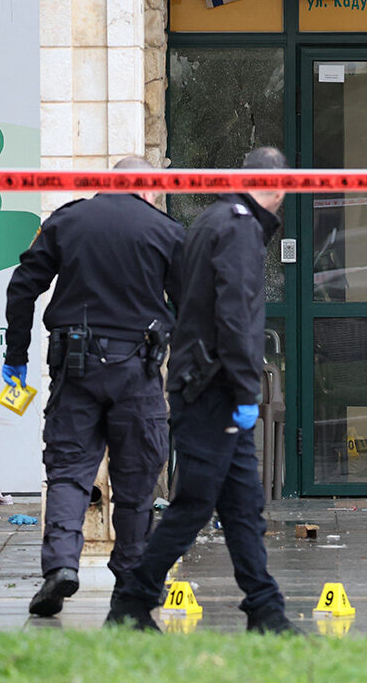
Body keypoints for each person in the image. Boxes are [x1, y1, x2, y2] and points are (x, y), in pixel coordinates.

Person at [106, 146, 298, 634]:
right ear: (275, 186)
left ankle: (265, 609)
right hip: (213, 392)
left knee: (242, 506)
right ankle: (130, 602)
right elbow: (234, 318)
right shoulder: (237, 228)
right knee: (194, 504)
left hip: (206, 385)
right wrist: (246, 391)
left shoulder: (219, 220)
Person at [2, 156, 184, 617]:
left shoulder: (67, 220)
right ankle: (132, 576)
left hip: (75, 368)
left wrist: (16, 357)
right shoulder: (166, 232)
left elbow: (23, 287)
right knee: (137, 477)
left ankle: (61, 566)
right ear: (149, 189)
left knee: (68, 470)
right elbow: (192, 306)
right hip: (138, 372)